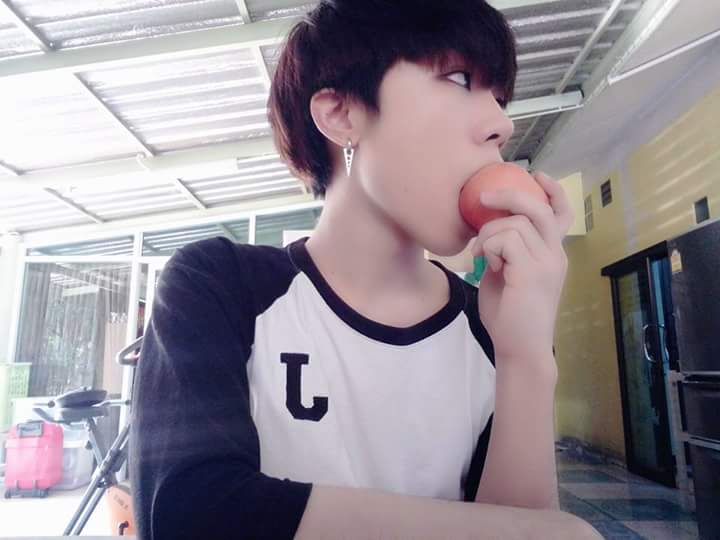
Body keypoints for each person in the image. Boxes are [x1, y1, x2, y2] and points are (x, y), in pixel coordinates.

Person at [129, 1, 601, 539]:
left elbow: (516, 524)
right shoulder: (219, 285)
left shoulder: (492, 327)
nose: (502, 123)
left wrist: (526, 357)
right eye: (459, 78)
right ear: (341, 114)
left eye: (498, 97)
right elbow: (187, 514)